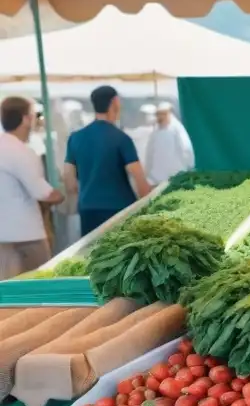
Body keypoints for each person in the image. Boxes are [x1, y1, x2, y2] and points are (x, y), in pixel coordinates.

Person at [64, 85, 152, 236]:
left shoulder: (75, 138)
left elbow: (69, 181)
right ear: (115, 102)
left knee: (93, 254)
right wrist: (149, 207)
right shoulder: (121, 139)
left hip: (88, 209)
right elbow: (139, 179)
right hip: (119, 209)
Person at [0, 97, 65, 280]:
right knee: (39, 288)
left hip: (2, 233)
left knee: (6, 292)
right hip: (26, 235)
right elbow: (43, 193)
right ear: (25, 118)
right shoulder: (22, 152)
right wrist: (60, 195)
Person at [143, 102, 195, 184]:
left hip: (176, 176)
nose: (160, 116)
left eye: (163, 114)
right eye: (158, 114)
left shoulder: (176, 129)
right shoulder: (156, 131)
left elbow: (186, 148)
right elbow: (150, 152)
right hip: (157, 178)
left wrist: (189, 166)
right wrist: (147, 171)